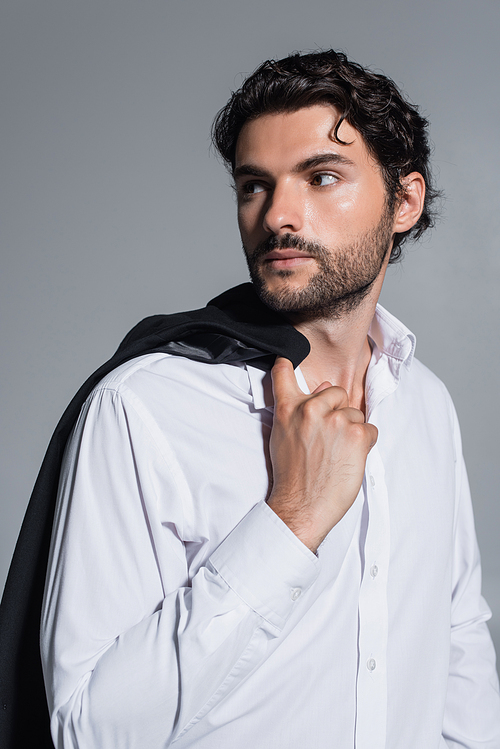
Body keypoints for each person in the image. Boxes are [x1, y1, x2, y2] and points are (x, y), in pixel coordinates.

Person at [2, 50, 499, 748]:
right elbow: (85, 729)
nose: (278, 215)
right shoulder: (143, 410)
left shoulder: (424, 402)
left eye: (321, 177)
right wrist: (289, 521)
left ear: (405, 202)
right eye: (253, 186)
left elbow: (456, 633)